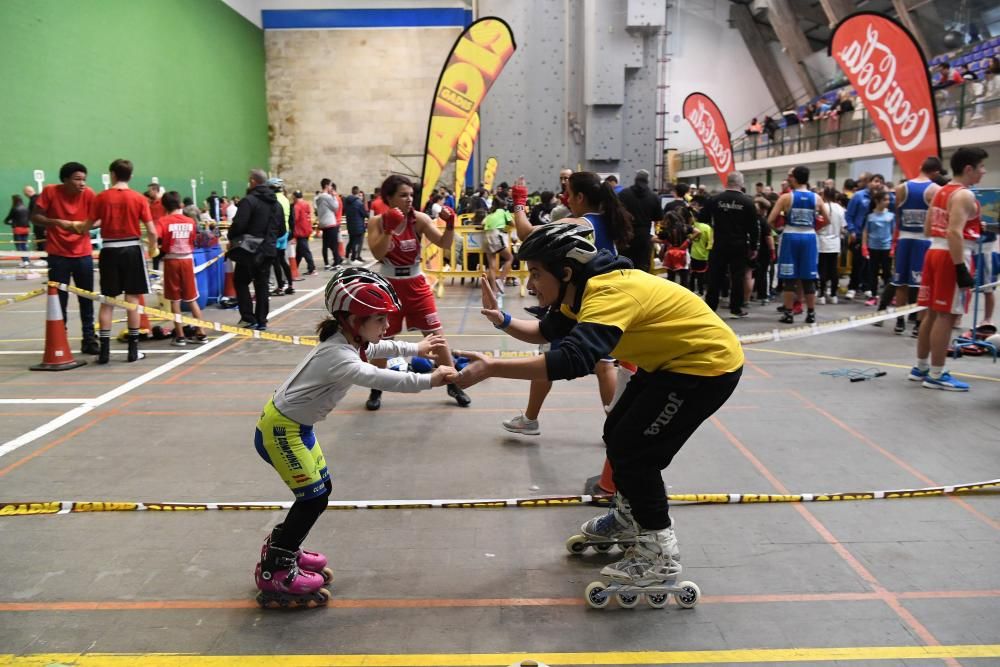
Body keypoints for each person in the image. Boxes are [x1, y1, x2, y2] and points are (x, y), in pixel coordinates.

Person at [456, 223, 743, 590]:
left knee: (637, 455)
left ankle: (660, 554)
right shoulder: (580, 289)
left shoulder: (609, 292)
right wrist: (504, 321)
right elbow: (548, 332)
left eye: (537, 274)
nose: (531, 285)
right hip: (671, 362)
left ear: (566, 272)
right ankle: (629, 517)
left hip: (706, 368)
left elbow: (571, 361)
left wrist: (493, 367)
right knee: (616, 432)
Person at [253, 267, 458, 607]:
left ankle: (283, 548)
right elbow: (382, 377)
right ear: (354, 319)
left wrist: (416, 348)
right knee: (313, 498)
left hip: (296, 428)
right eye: (379, 319)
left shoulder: (349, 339)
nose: (386, 326)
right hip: (281, 431)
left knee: (320, 492)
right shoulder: (339, 356)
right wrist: (431, 380)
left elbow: (379, 348)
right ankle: (275, 569)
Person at [501, 172, 631, 435]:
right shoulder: (609, 221)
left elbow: (527, 233)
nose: (566, 198)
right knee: (604, 363)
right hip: (605, 302)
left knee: (546, 357)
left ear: (580, 197)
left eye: (569, 194)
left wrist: (519, 202)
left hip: (574, 303)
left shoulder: (581, 223)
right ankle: (615, 427)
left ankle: (529, 419)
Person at [365, 174, 470, 410]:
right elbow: (378, 254)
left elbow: (444, 243)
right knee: (382, 340)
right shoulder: (378, 222)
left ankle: (453, 384)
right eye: (403, 195)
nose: (409, 199)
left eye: (411, 194)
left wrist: (451, 225)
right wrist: (389, 230)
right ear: (389, 197)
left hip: (416, 284)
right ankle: (376, 389)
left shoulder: (419, 220)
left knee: (436, 336)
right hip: (389, 285)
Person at [912, 146, 988, 391]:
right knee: (946, 315)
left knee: (931, 313)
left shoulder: (940, 191)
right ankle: (936, 374)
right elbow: (954, 231)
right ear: (969, 169)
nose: (984, 172)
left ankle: (921, 367)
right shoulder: (964, 195)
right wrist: (960, 268)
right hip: (951, 255)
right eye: (981, 167)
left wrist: (972, 227)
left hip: (934, 251)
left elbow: (928, 228)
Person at [70, 159, 157, 364]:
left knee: (108, 301)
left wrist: (69, 226)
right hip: (132, 249)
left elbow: (86, 226)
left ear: (112, 174)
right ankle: (133, 350)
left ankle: (105, 352)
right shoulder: (138, 198)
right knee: (133, 300)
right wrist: (153, 247)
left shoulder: (101, 197)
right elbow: (152, 231)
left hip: (109, 250)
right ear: (131, 176)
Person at [30, 162, 99, 355]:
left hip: (83, 254)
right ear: (65, 180)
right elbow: (35, 217)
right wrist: (56, 222)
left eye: (84, 179)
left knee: (86, 298)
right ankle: (61, 338)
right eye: (77, 179)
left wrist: (86, 226)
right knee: (59, 299)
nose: (82, 183)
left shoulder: (89, 194)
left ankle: (89, 338)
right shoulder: (50, 192)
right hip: (58, 254)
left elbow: (100, 218)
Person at [767, 166, 828, 324]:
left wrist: (780, 229)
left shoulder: (786, 198)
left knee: (789, 278)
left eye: (790, 176)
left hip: (790, 236)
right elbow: (827, 219)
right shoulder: (817, 198)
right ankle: (811, 313)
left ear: (794, 178)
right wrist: (813, 227)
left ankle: (788, 313)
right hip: (809, 237)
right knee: (808, 278)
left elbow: (770, 220)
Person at [890, 157, 942, 335]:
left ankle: (899, 321)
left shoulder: (901, 188)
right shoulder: (935, 190)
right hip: (924, 240)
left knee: (901, 282)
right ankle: (919, 325)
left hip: (904, 239)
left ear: (921, 167)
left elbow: (897, 215)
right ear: (935, 172)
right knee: (922, 285)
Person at [229, 169, 285, 330]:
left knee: (240, 281)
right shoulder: (277, 204)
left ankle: (248, 317)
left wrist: (233, 237)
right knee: (262, 285)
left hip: (249, 249)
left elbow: (239, 224)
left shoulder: (249, 201)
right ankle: (262, 320)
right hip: (268, 250)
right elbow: (282, 229)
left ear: (253, 181)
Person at [705, 171, 758, 318]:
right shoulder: (748, 202)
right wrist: (754, 247)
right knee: (737, 277)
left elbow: (702, 218)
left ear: (726, 182)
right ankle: (736, 308)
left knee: (715, 275)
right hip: (739, 244)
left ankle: (711, 307)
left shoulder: (715, 200)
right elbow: (754, 227)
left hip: (720, 243)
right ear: (741, 184)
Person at [158, 191, 208, 346]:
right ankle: (201, 332)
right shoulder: (190, 221)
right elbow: (194, 239)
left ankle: (180, 336)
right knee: (192, 298)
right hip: (187, 260)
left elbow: (160, 239)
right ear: (180, 204)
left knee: (175, 300)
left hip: (171, 260)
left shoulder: (163, 221)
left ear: (164, 206)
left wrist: (159, 248)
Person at [617, 169, 663, 272]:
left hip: (626, 235)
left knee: (624, 265)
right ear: (648, 180)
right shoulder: (654, 197)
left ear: (635, 179)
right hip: (644, 236)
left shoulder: (623, 194)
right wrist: (657, 234)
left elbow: (617, 214)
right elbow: (658, 219)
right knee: (642, 266)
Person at [862, 190, 894, 308]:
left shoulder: (891, 216)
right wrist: (864, 246)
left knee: (887, 273)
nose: (888, 202)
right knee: (872, 273)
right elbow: (865, 231)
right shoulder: (870, 216)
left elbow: (893, 231)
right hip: (873, 247)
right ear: (877, 201)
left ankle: (888, 296)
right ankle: (873, 295)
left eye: (888, 200)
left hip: (886, 247)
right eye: (885, 200)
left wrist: (893, 247)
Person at [817, 187, 845, 304]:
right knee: (833, 270)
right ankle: (833, 295)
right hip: (835, 242)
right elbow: (843, 227)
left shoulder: (822, 207)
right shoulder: (840, 209)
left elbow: (818, 224)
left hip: (822, 241)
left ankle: (822, 295)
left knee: (822, 269)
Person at [268, 178, 295, 297]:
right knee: (283, 260)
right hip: (285, 232)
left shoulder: (273, 200)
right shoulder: (285, 199)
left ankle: (280, 286)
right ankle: (290, 285)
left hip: (276, 232)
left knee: (275, 261)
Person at [482, 199, 514, 294]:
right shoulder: (504, 211)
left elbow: (482, 224)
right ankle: (500, 280)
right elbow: (513, 223)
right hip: (496, 235)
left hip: (486, 236)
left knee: (491, 266)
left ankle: (494, 290)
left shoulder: (490, 214)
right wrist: (506, 227)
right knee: (510, 258)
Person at [315, 179, 341, 269]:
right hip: (330, 222)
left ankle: (326, 264)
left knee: (325, 245)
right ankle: (337, 263)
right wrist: (334, 196)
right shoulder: (327, 197)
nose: (331, 187)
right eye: (330, 186)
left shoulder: (318, 197)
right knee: (334, 244)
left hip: (323, 223)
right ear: (326, 186)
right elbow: (335, 207)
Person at [291, 190, 317, 275]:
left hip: (300, 231)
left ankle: (312, 268)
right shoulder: (306, 204)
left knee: (305, 251)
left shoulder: (297, 206)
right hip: (307, 229)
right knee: (299, 251)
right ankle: (295, 267)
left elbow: (295, 219)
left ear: (295, 197)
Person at [4, 195, 31, 266]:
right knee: (24, 245)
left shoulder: (14, 208)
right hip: (26, 229)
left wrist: (11, 223)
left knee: (19, 246)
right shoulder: (26, 208)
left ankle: (25, 261)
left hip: (18, 230)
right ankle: (27, 260)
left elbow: (7, 220)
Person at [343, 186, 368, 264]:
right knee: (356, 242)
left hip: (350, 224)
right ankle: (353, 258)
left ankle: (346, 257)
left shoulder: (347, 201)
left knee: (350, 241)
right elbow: (364, 214)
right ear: (358, 192)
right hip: (358, 225)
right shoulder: (359, 202)